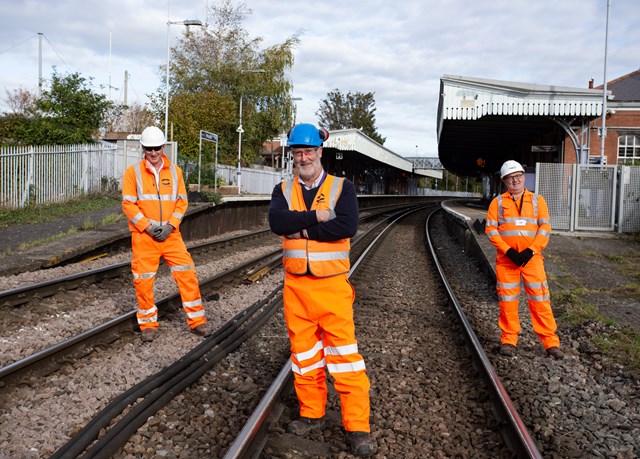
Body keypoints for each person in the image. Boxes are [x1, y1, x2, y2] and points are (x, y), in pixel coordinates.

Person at [268, 123, 375, 456]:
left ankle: (357, 427)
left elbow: (347, 226)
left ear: (319, 152)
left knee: (345, 359)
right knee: (304, 356)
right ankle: (312, 413)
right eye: (297, 152)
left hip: (332, 287)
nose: (303, 157)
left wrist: (300, 228)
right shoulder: (282, 191)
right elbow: (277, 224)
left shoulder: (343, 188)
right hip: (296, 288)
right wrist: (317, 217)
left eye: (309, 151)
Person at [122, 126, 207, 343]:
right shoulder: (133, 172)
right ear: (143, 148)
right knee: (143, 281)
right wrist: (148, 227)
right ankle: (148, 324)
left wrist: (170, 226)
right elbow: (128, 205)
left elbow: (182, 202)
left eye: (157, 148)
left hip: (171, 235)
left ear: (163, 147)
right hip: (145, 237)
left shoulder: (175, 171)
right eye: (149, 148)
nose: (153, 152)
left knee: (187, 274)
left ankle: (197, 321)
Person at [485, 160, 563, 359]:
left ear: (524, 176)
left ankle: (550, 343)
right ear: (504, 181)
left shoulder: (538, 201)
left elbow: (545, 228)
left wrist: (531, 251)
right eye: (511, 178)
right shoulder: (498, 202)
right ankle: (509, 340)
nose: (515, 180)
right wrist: (509, 251)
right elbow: (491, 230)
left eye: (518, 176)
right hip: (507, 260)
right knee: (508, 302)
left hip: (532, 259)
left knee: (540, 300)